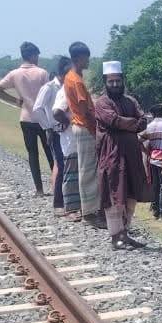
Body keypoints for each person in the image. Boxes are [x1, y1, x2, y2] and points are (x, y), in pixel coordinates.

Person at [93, 61, 150, 249]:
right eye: (111, 82)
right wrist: (131, 123)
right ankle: (115, 236)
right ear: (105, 82)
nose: (115, 85)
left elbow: (143, 122)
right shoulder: (101, 102)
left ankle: (125, 233)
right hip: (112, 155)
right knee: (114, 194)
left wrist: (129, 123)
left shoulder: (130, 101)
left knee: (131, 194)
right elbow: (113, 120)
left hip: (132, 154)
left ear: (122, 80)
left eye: (118, 81)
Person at [0, 42, 52, 195]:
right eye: (37, 55)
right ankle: (56, 186)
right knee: (50, 152)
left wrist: (15, 101)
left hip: (26, 118)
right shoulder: (42, 73)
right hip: (43, 119)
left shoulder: (14, 74)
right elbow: (49, 96)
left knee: (32, 155)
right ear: (34, 55)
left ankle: (39, 190)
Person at [63, 42, 103, 228]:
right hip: (84, 126)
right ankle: (89, 212)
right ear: (79, 58)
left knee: (86, 170)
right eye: (87, 57)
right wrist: (96, 129)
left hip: (79, 126)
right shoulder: (76, 81)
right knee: (88, 171)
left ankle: (90, 209)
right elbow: (85, 110)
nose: (89, 60)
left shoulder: (70, 77)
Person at [32, 56, 71, 215]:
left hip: (68, 131)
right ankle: (58, 204)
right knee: (61, 166)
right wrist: (48, 127)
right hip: (55, 131)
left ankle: (71, 202)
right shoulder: (49, 87)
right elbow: (37, 108)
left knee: (70, 165)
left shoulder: (68, 87)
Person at [51, 77, 80, 219]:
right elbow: (57, 112)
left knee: (79, 175)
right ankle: (70, 209)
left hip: (79, 140)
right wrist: (70, 121)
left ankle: (79, 208)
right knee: (70, 175)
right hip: (70, 140)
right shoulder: (66, 90)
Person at [141, 104, 162, 220]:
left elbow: (138, 140)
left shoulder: (149, 127)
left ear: (153, 114)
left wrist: (146, 152)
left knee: (155, 186)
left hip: (153, 160)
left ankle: (155, 212)